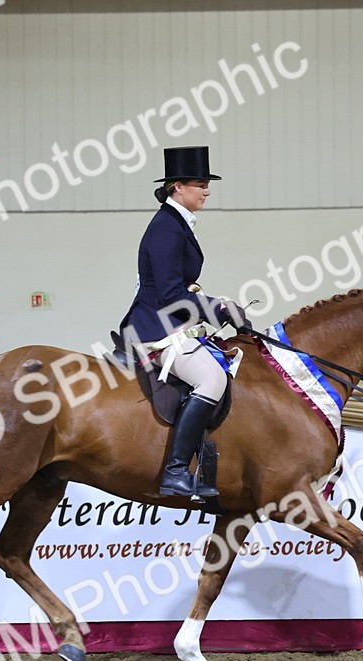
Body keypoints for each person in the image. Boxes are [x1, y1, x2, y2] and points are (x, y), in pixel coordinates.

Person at [117, 146, 249, 499]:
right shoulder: (166, 228)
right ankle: (175, 471)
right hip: (156, 327)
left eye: (207, 185)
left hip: (171, 321)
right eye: (201, 185)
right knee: (211, 379)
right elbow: (169, 294)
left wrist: (219, 305)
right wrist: (217, 308)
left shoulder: (176, 223)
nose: (207, 191)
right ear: (178, 187)